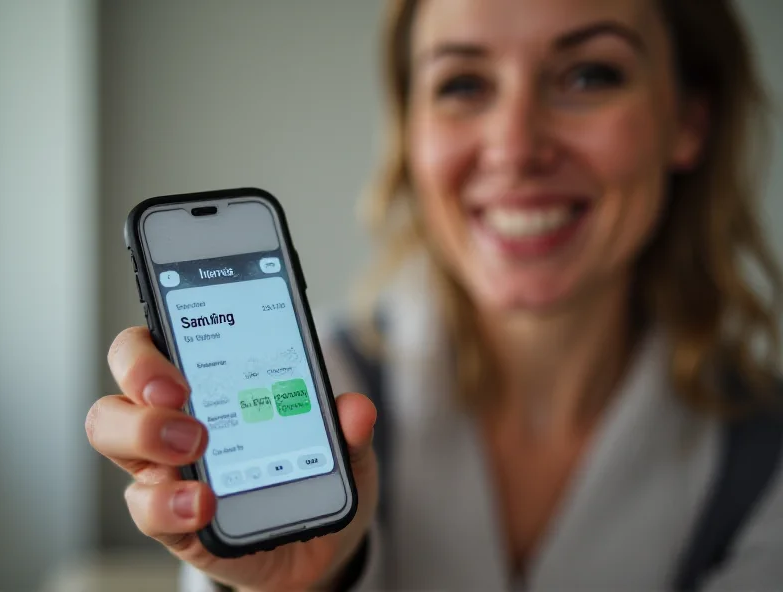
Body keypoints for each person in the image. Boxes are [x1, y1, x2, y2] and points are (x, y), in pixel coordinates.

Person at [86, 0, 783, 590]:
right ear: (412, 131)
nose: (514, 146)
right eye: (463, 85)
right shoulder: (326, 389)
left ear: (689, 121)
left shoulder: (767, 463)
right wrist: (310, 585)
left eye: (588, 74)